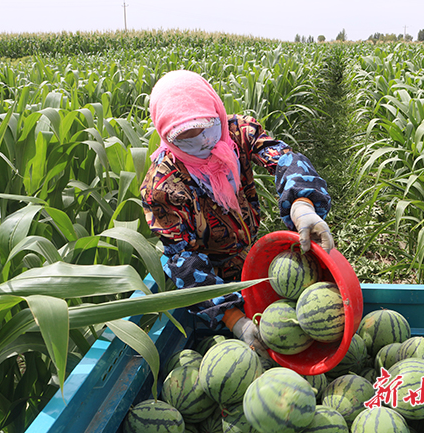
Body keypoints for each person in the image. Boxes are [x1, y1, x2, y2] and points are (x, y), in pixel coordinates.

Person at [140, 70, 334, 357]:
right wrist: (234, 320)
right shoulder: (162, 187)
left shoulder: (238, 132)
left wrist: (302, 204)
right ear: (167, 138)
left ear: (216, 113)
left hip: (252, 254)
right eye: (187, 139)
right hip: (212, 276)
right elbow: (182, 261)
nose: (204, 143)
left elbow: (283, 158)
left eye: (205, 129)